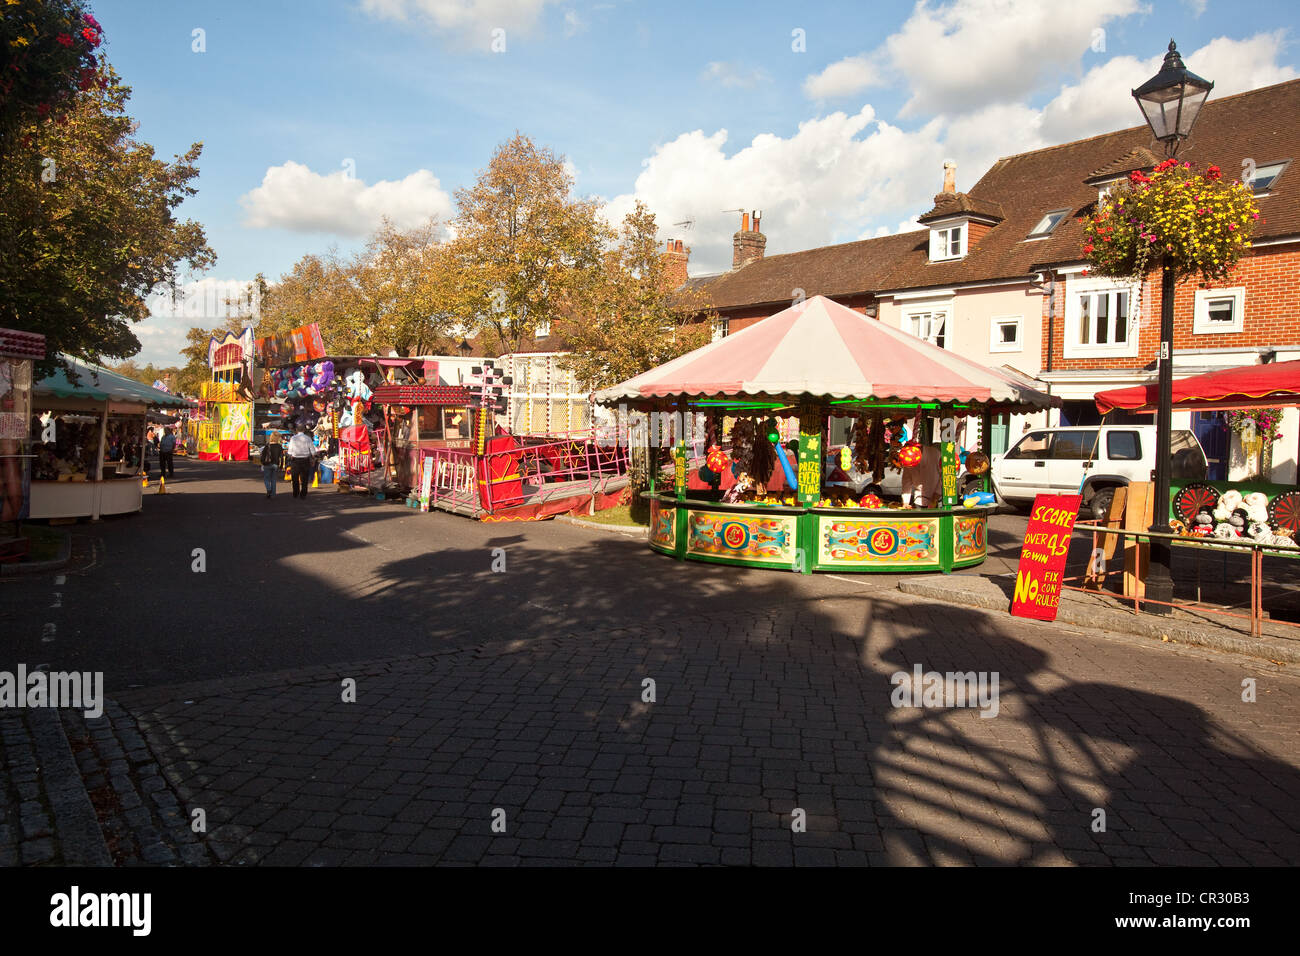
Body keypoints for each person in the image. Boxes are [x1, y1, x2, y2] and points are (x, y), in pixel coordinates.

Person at [286, 424, 315, 498]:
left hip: (295, 460)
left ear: (296, 430)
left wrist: (290, 455)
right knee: (304, 478)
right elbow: (312, 450)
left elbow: (290, 451)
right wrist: (313, 457)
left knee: (295, 477)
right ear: (304, 430)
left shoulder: (293, 438)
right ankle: (303, 493)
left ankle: (296, 493)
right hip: (305, 460)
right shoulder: (308, 438)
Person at [260, 432, 284, 499]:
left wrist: (262, 462)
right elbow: (281, 457)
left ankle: (268, 489)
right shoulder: (279, 446)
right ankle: (273, 494)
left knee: (266, 478)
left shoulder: (267, 446)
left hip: (267, 464)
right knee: (273, 479)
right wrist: (281, 465)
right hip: (275, 464)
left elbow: (263, 456)